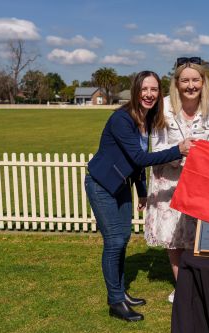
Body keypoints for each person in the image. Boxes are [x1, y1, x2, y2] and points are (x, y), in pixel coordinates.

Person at [85, 71, 193, 322]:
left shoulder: (144, 119)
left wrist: (142, 191)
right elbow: (140, 159)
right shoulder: (122, 119)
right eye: (144, 89)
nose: (149, 94)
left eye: (154, 89)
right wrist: (177, 150)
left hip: (121, 184)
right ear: (135, 91)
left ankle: (121, 292)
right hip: (101, 184)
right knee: (114, 241)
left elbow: (134, 164)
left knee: (122, 239)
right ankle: (115, 301)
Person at [144, 57, 209, 303]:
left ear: (203, 82)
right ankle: (183, 286)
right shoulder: (163, 108)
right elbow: (156, 148)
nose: (190, 85)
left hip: (200, 181)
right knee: (173, 238)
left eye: (195, 80)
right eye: (185, 80)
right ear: (177, 83)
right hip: (168, 180)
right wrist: (179, 152)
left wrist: (197, 159)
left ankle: (197, 284)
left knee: (196, 236)